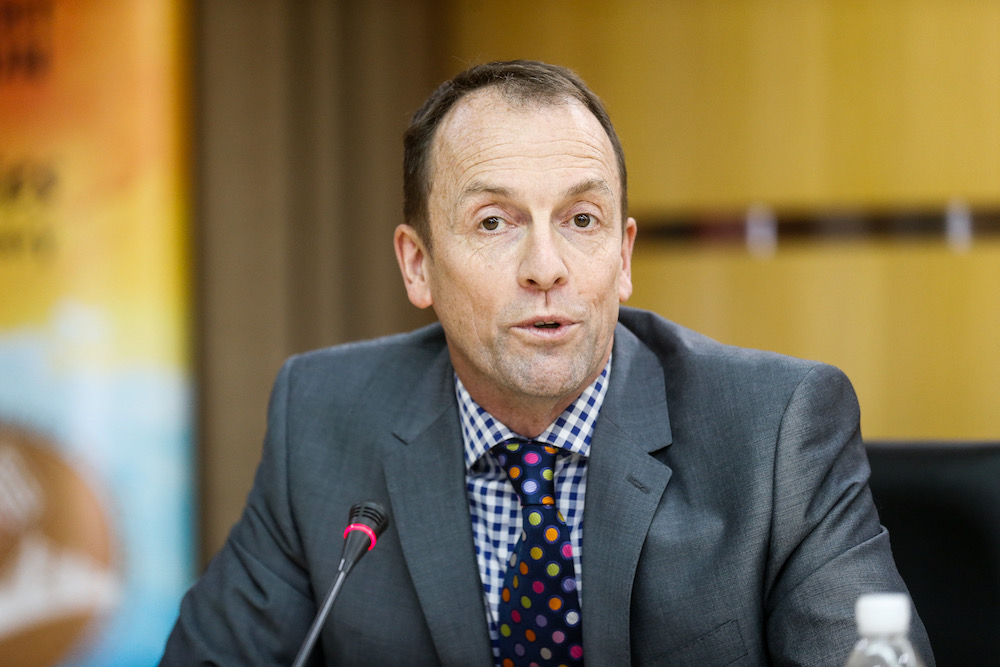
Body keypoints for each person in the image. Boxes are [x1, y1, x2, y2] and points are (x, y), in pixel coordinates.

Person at [161, 60, 933, 666]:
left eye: (581, 220)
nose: (546, 266)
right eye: (494, 221)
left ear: (622, 258)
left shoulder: (777, 432)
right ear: (417, 265)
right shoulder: (323, 418)